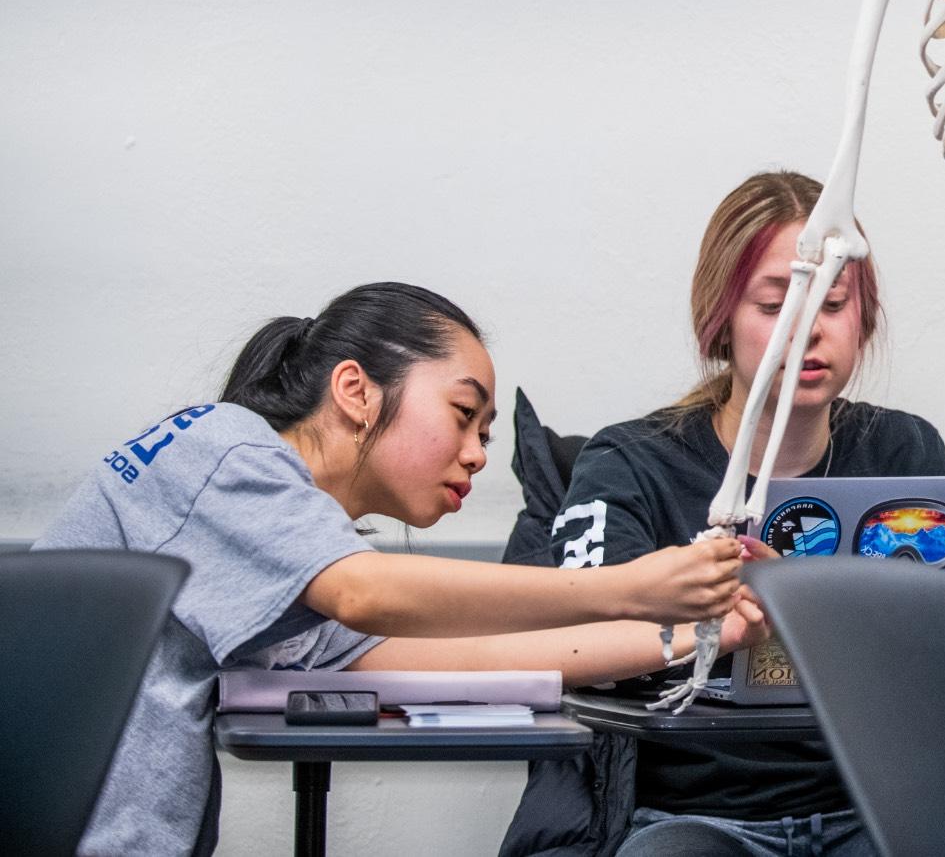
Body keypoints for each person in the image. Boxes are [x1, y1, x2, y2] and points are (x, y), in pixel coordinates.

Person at [35, 282, 761, 857]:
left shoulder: (285, 561)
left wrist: (698, 631)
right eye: (463, 414)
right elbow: (367, 594)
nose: (478, 453)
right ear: (355, 391)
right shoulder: (221, 448)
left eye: (486, 434)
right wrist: (626, 586)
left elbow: (460, 662)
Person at [538, 170, 945, 857]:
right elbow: (584, 643)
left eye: (833, 303)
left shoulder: (902, 449)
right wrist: (716, 610)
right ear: (720, 322)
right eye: (773, 305)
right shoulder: (633, 461)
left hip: (870, 814)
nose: (806, 333)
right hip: (694, 818)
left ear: (864, 316)